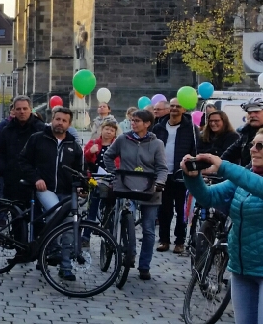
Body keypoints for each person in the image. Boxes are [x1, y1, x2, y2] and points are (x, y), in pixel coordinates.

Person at [182, 140, 263, 324]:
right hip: (243, 268)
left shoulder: (242, 176)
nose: (254, 149)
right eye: (253, 144)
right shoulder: (242, 177)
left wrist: (224, 166)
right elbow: (210, 197)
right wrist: (192, 179)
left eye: (262, 145)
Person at [19, 107, 85, 279]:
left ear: (69, 124)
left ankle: (66, 266)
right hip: (44, 188)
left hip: (67, 191)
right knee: (55, 213)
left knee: (71, 224)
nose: (60, 123)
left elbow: (79, 171)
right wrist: (36, 179)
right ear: (52, 119)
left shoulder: (73, 145)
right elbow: (23, 161)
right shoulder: (38, 139)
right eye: (57, 119)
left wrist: (80, 186)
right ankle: (50, 250)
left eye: (64, 120)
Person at [101, 108, 166, 280]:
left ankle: (144, 266)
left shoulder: (157, 143)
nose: (133, 123)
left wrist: (160, 182)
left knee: (149, 230)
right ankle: (129, 252)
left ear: (147, 124)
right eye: (132, 120)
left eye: (137, 121)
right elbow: (108, 156)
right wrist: (115, 173)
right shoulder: (123, 139)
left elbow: (161, 168)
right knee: (124, 217)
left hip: (149, 189)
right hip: (126, 186)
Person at [154, 100, 196, 254]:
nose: (174, 109)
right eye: (172, 106)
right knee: (164, 210)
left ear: (184, 109)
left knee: (181, 210)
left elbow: (195, 150)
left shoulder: (191, 129)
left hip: (181, 175)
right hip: (163, 174)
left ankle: (180, 241)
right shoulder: (159, 127)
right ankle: (164, 240)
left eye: (178, 106)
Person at [84, 119, 119, 222]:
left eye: (112, 130)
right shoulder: (93, 142)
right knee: (94, 200)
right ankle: (87, 232)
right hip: (96, 177)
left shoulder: (117, 145)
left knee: (112, 200)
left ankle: (109, 223)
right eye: (106, 129)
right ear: (101, 130)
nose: (108, 132)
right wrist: (90, 152)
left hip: (112, 177)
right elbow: (83, 159)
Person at [224, 98, 263, 168]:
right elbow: (230, 153)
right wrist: (217, 164)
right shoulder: (246, 133)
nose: (252, 115)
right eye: (249, 113)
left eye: (256, 112)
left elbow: (251, 167)